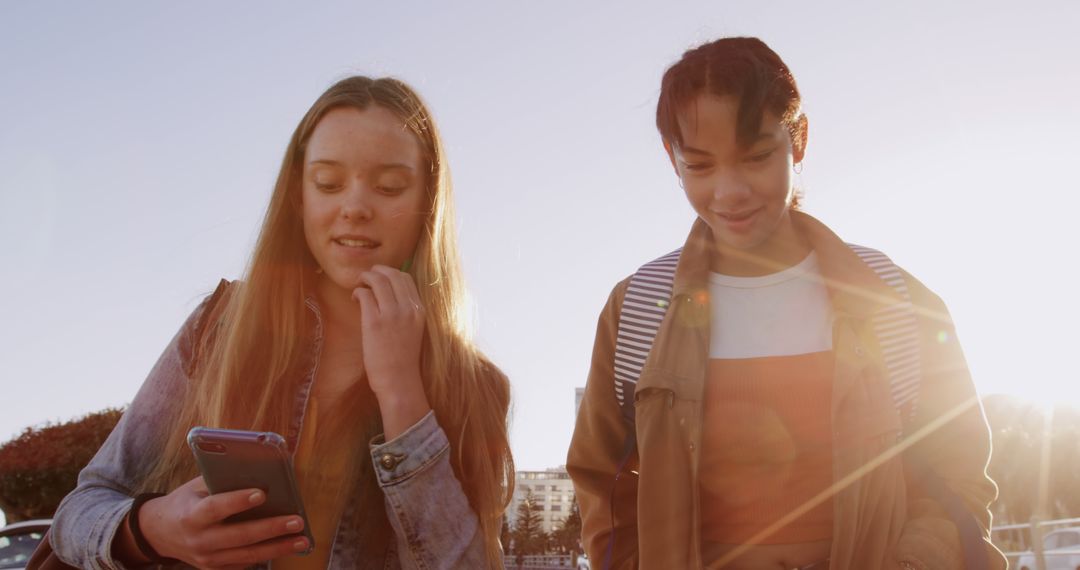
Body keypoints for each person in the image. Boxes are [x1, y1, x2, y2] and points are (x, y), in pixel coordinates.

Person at [566, 37, 1007, 570]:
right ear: (672, 158)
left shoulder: (893, 295)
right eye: (701, 166)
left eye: (755, 157)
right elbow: (602, 482)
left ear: (798, 139)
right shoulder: (637, 307)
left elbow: (957, 474)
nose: (729, 192)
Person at [49, 76, 514, 569]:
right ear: (298, 197)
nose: (354, 207)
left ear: (427, 202)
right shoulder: (222, 328)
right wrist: (153, 527)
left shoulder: (474, 383)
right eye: (328, 183)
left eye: (389, 186)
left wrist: (403, 395)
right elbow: (78, 512)